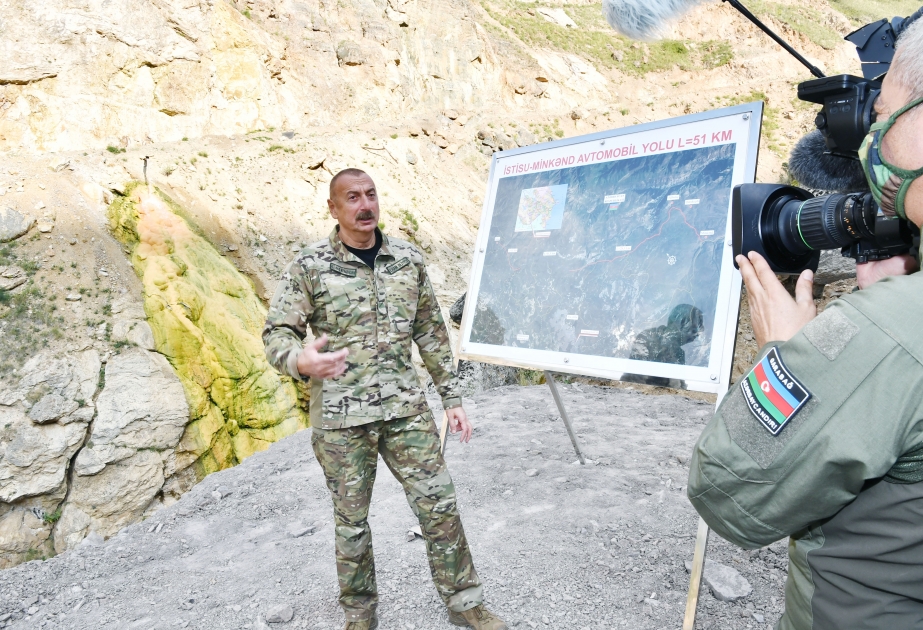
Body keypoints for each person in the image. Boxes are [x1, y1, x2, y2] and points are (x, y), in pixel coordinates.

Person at [687, 19, 923, 630]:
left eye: (885, 113)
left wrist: (785, 356)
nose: (874, 136)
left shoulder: (892, 335)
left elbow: (730, 491)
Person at [262, 168, 507, 630]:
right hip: (341, 418)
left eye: (370, 194)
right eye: (352, 197)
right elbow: (276, 334)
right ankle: (359, 614)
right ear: (334, 209)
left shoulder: (407, 260)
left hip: (405, 412)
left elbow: (430, 331)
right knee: (352, 524)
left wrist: (450, 397)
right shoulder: (310, 266)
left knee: (440, 507)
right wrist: (300, 361)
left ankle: (465, 603)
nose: (364, 205)